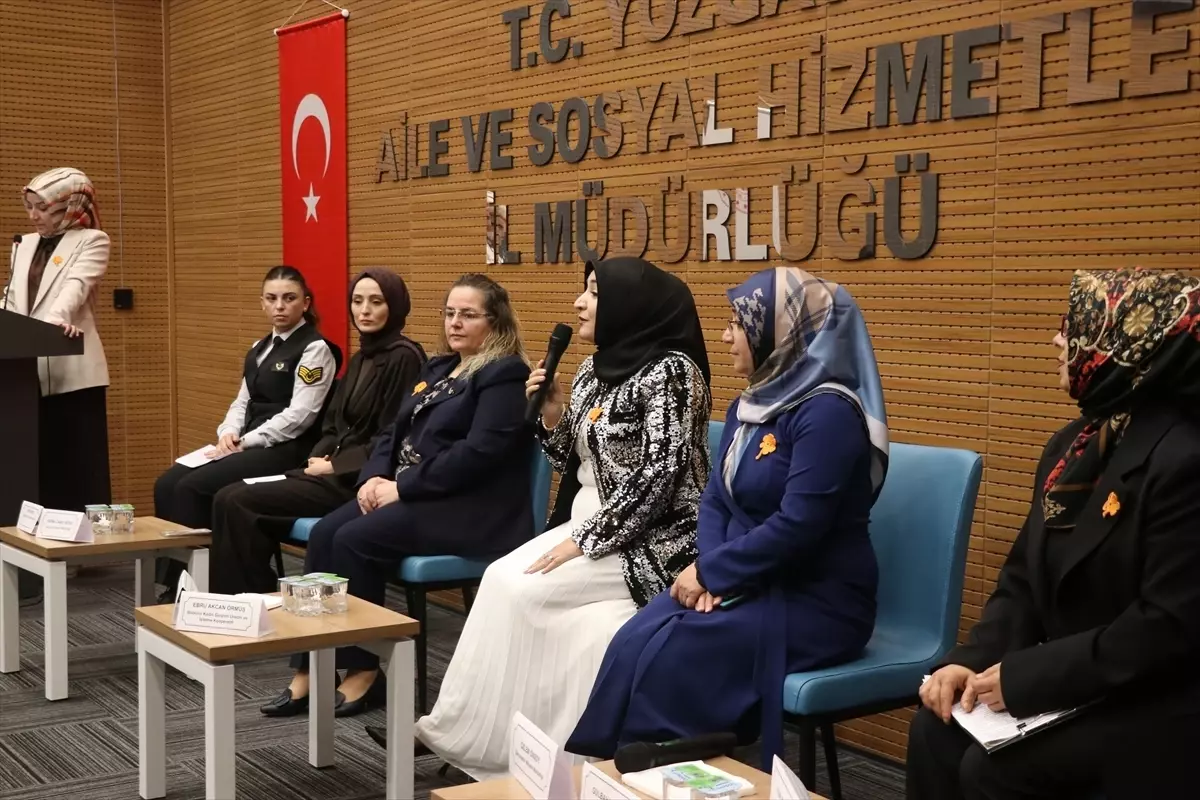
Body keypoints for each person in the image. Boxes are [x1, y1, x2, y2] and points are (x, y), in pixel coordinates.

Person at [385, 256, 713, 780]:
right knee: (506, 581)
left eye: (595, 292)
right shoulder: (594, 368)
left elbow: (661, 477)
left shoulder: (673, 373)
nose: (580, 303)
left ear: (631, 305)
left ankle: (494, 744)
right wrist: (553, 413)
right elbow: (571, 461)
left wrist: (584, 540)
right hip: (587, 526)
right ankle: (483, 740)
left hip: (655, 537)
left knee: (521, 590)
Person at [567, 267, 890, 768]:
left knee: (676, 648)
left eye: (738, 324)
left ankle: (675, 774)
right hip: (747, 579)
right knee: (635, 635)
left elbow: (799, 525)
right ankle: (625, 772)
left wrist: (713, 572)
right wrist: (711, 574)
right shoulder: (752, 402)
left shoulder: (827, 412)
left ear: (780, 334)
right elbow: (716, 499)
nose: (725, 336)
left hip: (815, 598)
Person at [906, 267, 1200, 800]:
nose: (1058, 340)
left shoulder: (1185, 458)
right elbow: (1023, 580)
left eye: (1076, 325)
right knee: (934, 730)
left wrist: (1025, 677)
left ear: (1125, 344)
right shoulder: (1072, 444)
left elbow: (1163, 628)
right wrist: (968, 661)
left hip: (1155, 699)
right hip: (1079, 685)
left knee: (992, 772)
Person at [260, 273, 534, 718]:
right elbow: (392, 432)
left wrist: (402, 486)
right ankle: (310, 665)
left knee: (354, 540)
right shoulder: (439, 368)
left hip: (466, 507)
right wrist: (372, 478)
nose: (455, 323)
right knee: (326, 533)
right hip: (411, 493)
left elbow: (478, 454)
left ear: (496, 321)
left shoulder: (504, 373)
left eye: (468, 315)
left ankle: (364, 670)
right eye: (450, 313)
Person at [207, 269, 426, 595]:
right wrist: (319, 456)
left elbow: (391, 436)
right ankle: (245, 601)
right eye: (357, 301)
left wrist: (334, 466)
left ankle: (250, 601)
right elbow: (333, 423)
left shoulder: (404, 358)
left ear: (394, 306)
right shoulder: (363, 355)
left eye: (376, 302)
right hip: (328, 471)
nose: (364, 310)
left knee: (238, 501)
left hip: (359, 479)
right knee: (228, 495)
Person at [153, 266, 339, 596]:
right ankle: (175, 582)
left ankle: (201, 587)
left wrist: (247, 441)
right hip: (249, 443)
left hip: (288, 449)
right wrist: (227, 432)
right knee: (167, 484)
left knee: (194, 488)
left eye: (289, 298)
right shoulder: (259, 347)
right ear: (262, 303)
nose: (280, 306)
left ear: (306, 303)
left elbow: (301, 416)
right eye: (272, 298)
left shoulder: (315, 348)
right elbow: (242, 402)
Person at [5, 168, 110, 605]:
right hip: (23, 372)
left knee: (73, 461)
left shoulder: (92, 240)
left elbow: (75, 288)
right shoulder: (24, 244)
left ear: (70, 207)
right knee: (35, 462)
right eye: (29, 207)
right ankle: (35, 550)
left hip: (72, 367)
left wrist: (52, 322)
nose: (33, 216)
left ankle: (78, 553)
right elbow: (14, 298)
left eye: (42, 208)